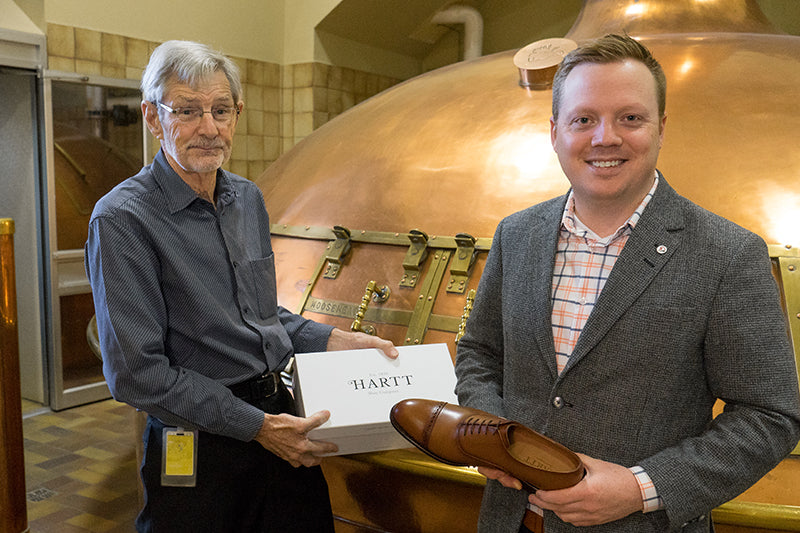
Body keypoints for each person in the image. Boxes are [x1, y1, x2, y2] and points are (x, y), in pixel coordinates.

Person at [454, 34, 800, 532]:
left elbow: (769, 417)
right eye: (583, 119)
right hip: (512, 521)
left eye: (630, 118)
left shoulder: (727, 254)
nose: (605, 138)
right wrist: (490, 432)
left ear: (661, 128)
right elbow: (480, 352)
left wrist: (641, 488)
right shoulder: (517, 234)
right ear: (555, 131)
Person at [85, 40, 397, 532]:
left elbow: (260, 316)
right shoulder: (123, 219)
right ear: (151, 117)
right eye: (186, 111)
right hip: (203, 441)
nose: (208, 128)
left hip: (283, 424)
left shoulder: (247, 199)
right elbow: (137, 375)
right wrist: (257, 428)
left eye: (220, 110)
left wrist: (335, 340)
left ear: (237, 114)